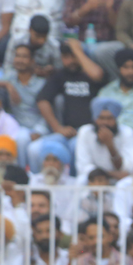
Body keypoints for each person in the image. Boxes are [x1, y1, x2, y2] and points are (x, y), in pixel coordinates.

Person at [31, 40, 104, 172]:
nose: (70, 61)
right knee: (36, 149)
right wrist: (57, 127)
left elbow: (97, 75)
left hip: (88, 132)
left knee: (75, 146)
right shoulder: (60, 75)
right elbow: (42, 100)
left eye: (73, 56)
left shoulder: (90, 74)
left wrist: (77, 50)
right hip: (66, 132)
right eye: (66, 57)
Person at [0, 44, 47, 148]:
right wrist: (6, 84)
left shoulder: (41, 84)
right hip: (16, 127)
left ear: (32, 61)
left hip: (37, 128)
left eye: (24, 57)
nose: (20, 60)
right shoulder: (10, 78)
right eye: (17, 56)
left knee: (27, 143)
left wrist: (39, 131)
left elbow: (48, 112)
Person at [75, 98, 133, 184]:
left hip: (118, 180)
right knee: (81, 180)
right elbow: (83, 166)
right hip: (94, 179)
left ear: (116, 119)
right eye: (101, 118)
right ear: (95, 119)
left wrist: (110, 145)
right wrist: (107, 174)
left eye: (109, 118)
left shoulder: (127, 133)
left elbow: (126, 168)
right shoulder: (85, 132)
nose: (105, 122)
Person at [97, 48, 133, 141]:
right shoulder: (106, 92)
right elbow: (100, 119)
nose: (130, 72)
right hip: (111, 139)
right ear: (118, 69)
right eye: (125, 67)